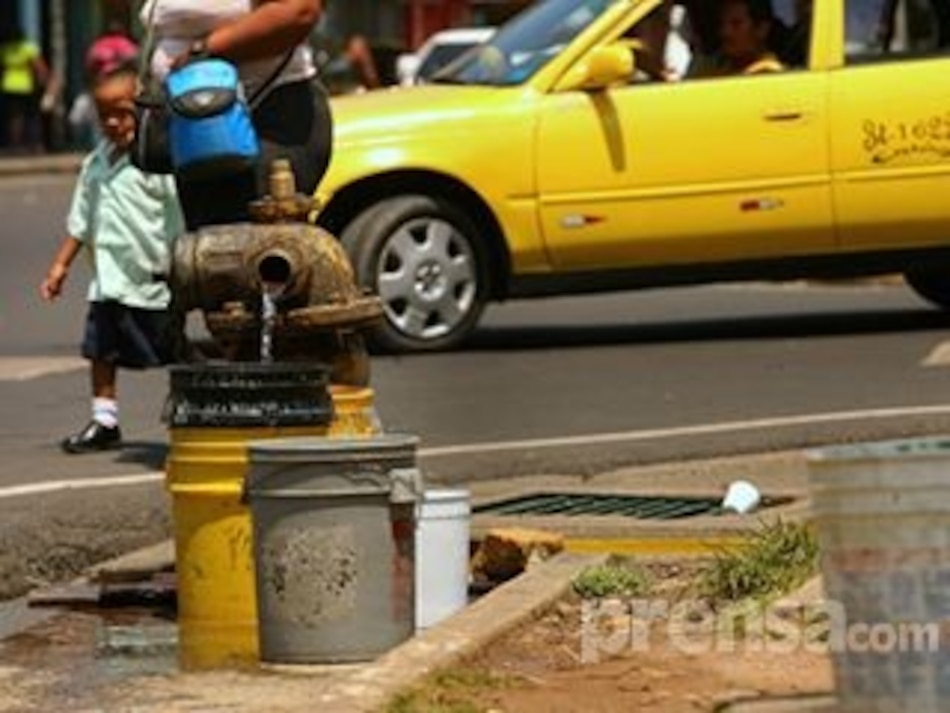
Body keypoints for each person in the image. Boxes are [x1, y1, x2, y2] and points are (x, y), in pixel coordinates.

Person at [40, 62, 185, 454]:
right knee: (100, 349)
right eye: (105, 115)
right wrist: (60, 267)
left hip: (154, 278)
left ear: (142, 111)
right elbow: (80, 221)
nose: (114, 123)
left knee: (174, 350)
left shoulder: (159, 163)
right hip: (109, 279)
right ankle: (105, 419)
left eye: (123, 113)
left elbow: (180, 215)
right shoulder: (95, 163)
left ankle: (190, 413)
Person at [140, 0, 333, 230]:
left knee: (260, 247)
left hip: (267, 116)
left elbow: (299, 12)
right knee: (210, 248)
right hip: (198, 125)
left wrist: (206, 51)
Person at [698, 0, 785, 77]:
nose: (725, 32)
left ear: (762, 29)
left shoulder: (770, 75)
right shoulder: (713, 68)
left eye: (736, 24)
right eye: (721, 24)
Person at [0, 24, 49, 152]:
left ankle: (15, 144)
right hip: (25, 85)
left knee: (14, 117)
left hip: (8, 85)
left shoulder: (5, 48)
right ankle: (35, 143)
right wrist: (44, 82)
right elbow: (39, 67)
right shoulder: (28, 47)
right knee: (31, 115)